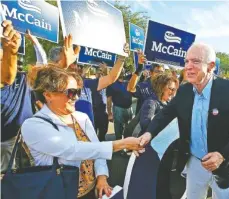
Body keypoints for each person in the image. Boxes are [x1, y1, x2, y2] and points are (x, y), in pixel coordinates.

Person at [137, 43, 229, 199]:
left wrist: (222, 155)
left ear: (211, 66)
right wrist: (148, 134)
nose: (188, 67)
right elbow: (165, 114)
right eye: (186, 62)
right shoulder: (184, 91)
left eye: (196, 61)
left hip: (223, 165)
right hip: (194, 163)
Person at [22, 66, 143, 199]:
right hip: (60, 192)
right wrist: (122, 144)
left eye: (78, 92)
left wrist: (101, 176)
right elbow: (73, 150)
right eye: (71, 92)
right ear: (48, 95)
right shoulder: (33, 126)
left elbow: (96, 149)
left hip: (91, 191)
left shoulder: (81, 117)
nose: (76, 98)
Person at [1, 20, 34, 173]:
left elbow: (45, 69)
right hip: (5, 143)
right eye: (1, 60)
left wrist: (35, 43)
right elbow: (6, 77)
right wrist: (10, 52)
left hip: (23, 140)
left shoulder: (23, 80)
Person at [106, 69, 133, 140]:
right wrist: (109, 114)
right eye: (120, 70)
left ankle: (128, 145)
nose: (121, 72)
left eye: (122, 71)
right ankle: (120, 148)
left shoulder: (128, 82)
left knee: (129, 129)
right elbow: (109, 100)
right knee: (118, 131)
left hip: (129, 109)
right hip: (118, 109)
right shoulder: (111, 84)